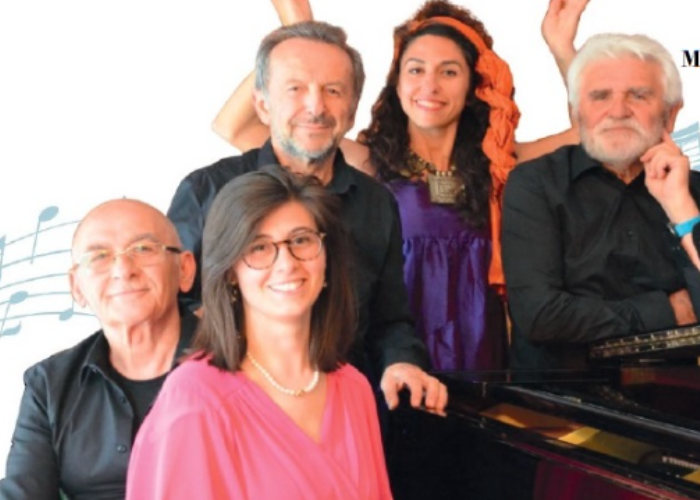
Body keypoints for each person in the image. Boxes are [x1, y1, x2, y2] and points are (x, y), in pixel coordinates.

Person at [210, 0, 588, 370]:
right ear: (397, 82)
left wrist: (561, 46)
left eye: (449, 72)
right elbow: (235, 127)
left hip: (482, 362)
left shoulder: (501, 163)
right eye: (416, 69)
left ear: (474, 84)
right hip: (389, 363)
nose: (430, 85)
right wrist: (294, 31)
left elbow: (591, 133)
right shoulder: (362, 164)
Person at [168, 20, 447, 412]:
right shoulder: (207, 191)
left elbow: (390, 321)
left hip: (344, 410)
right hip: (229, 411)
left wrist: (401, 361)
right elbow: (168, 315)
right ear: (262, 104)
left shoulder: (377, 203)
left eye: (333, 91)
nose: (315, 107)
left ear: (352, 111)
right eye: (295, 89)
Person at [127, 168, 393, 500]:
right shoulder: (195, 398)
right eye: (259, 248)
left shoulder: (354, 388)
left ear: (327, 258)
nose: (286, 263)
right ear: (230, 272)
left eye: (301, 240)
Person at [502, 33, 700, 370]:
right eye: (600, 96)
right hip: (562, 395)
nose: (618, 111)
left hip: (679, 394)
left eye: (639, 95)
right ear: (577, 112)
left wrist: (681, 206)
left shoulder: (692, 190)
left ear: (670, 114)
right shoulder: (536, 183)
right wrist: (669, 310)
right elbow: (541, 316)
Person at [0, 199, 197, 500]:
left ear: (184, 269)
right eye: (99, 256)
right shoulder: (48, 385)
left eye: (143, 249)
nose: (123, 270)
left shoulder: (240, 362)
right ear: (76, 286)